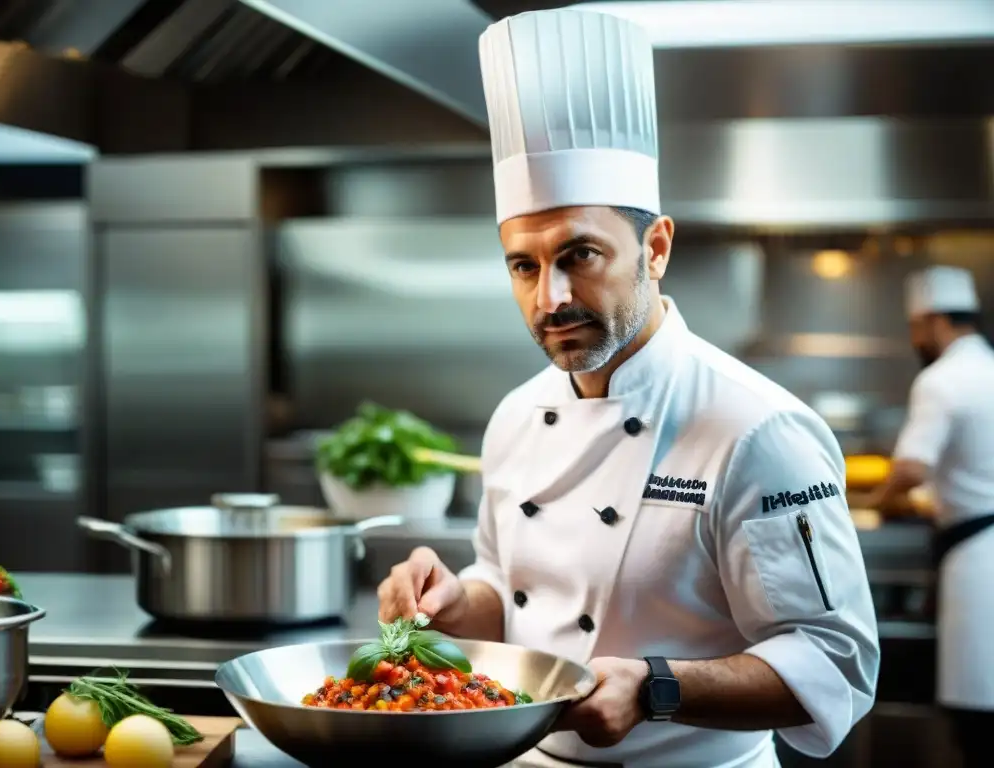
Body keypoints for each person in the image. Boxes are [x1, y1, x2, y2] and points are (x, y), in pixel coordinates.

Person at [377, 9, 879, 767]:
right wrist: (452, 603)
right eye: (523, 265)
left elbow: (835, 660)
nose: (550, 298)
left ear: (656, 248)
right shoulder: (516, 417)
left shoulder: (757, 430)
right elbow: (510, 599)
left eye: (580, 254)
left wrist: (657, 688)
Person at [866, 265, 994, 768]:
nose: (916, 339)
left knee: (977, 709)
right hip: (977, 541)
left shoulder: (942, 380)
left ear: (933, 322)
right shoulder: (989, 367)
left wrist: (875, 503)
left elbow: (911, 471)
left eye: (916, 328)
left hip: (978, 557)